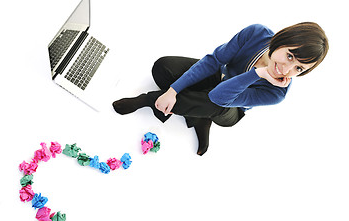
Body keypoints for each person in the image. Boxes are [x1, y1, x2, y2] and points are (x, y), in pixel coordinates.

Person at [112, 22, 329, 156]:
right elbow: (214, 60)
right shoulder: (256, 33)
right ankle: (198, 117)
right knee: (163, 68)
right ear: (283, 39)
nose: (286, 68)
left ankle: (148, 100)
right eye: (290, 55)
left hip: (230, 108)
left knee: (211, 101)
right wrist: (173, 90)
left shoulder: (277, 93)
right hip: (219, 77)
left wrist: (258, 73)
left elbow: (219, 96)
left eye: (299, 68)